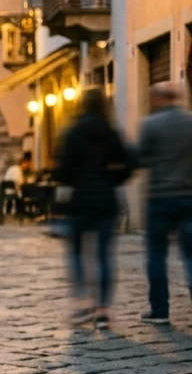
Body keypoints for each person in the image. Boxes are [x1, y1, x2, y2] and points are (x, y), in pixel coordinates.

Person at [56, 89, 133, 329]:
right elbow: (129, 165)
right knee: (104, 257)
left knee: (77, 254)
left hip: (79, 202)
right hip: (106, 202)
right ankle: (102, 310)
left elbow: (62, 170)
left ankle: (82, 303)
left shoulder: (72, 132)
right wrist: (112, 180)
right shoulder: (111, 133)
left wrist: (75, 180)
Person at [138, 82, 192, 325]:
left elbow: (141, 158)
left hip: (160, 198)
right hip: (188, 198)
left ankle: (160, 310)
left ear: (159, 99)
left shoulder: (150, 124)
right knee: (190, 256)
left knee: (156, 255)